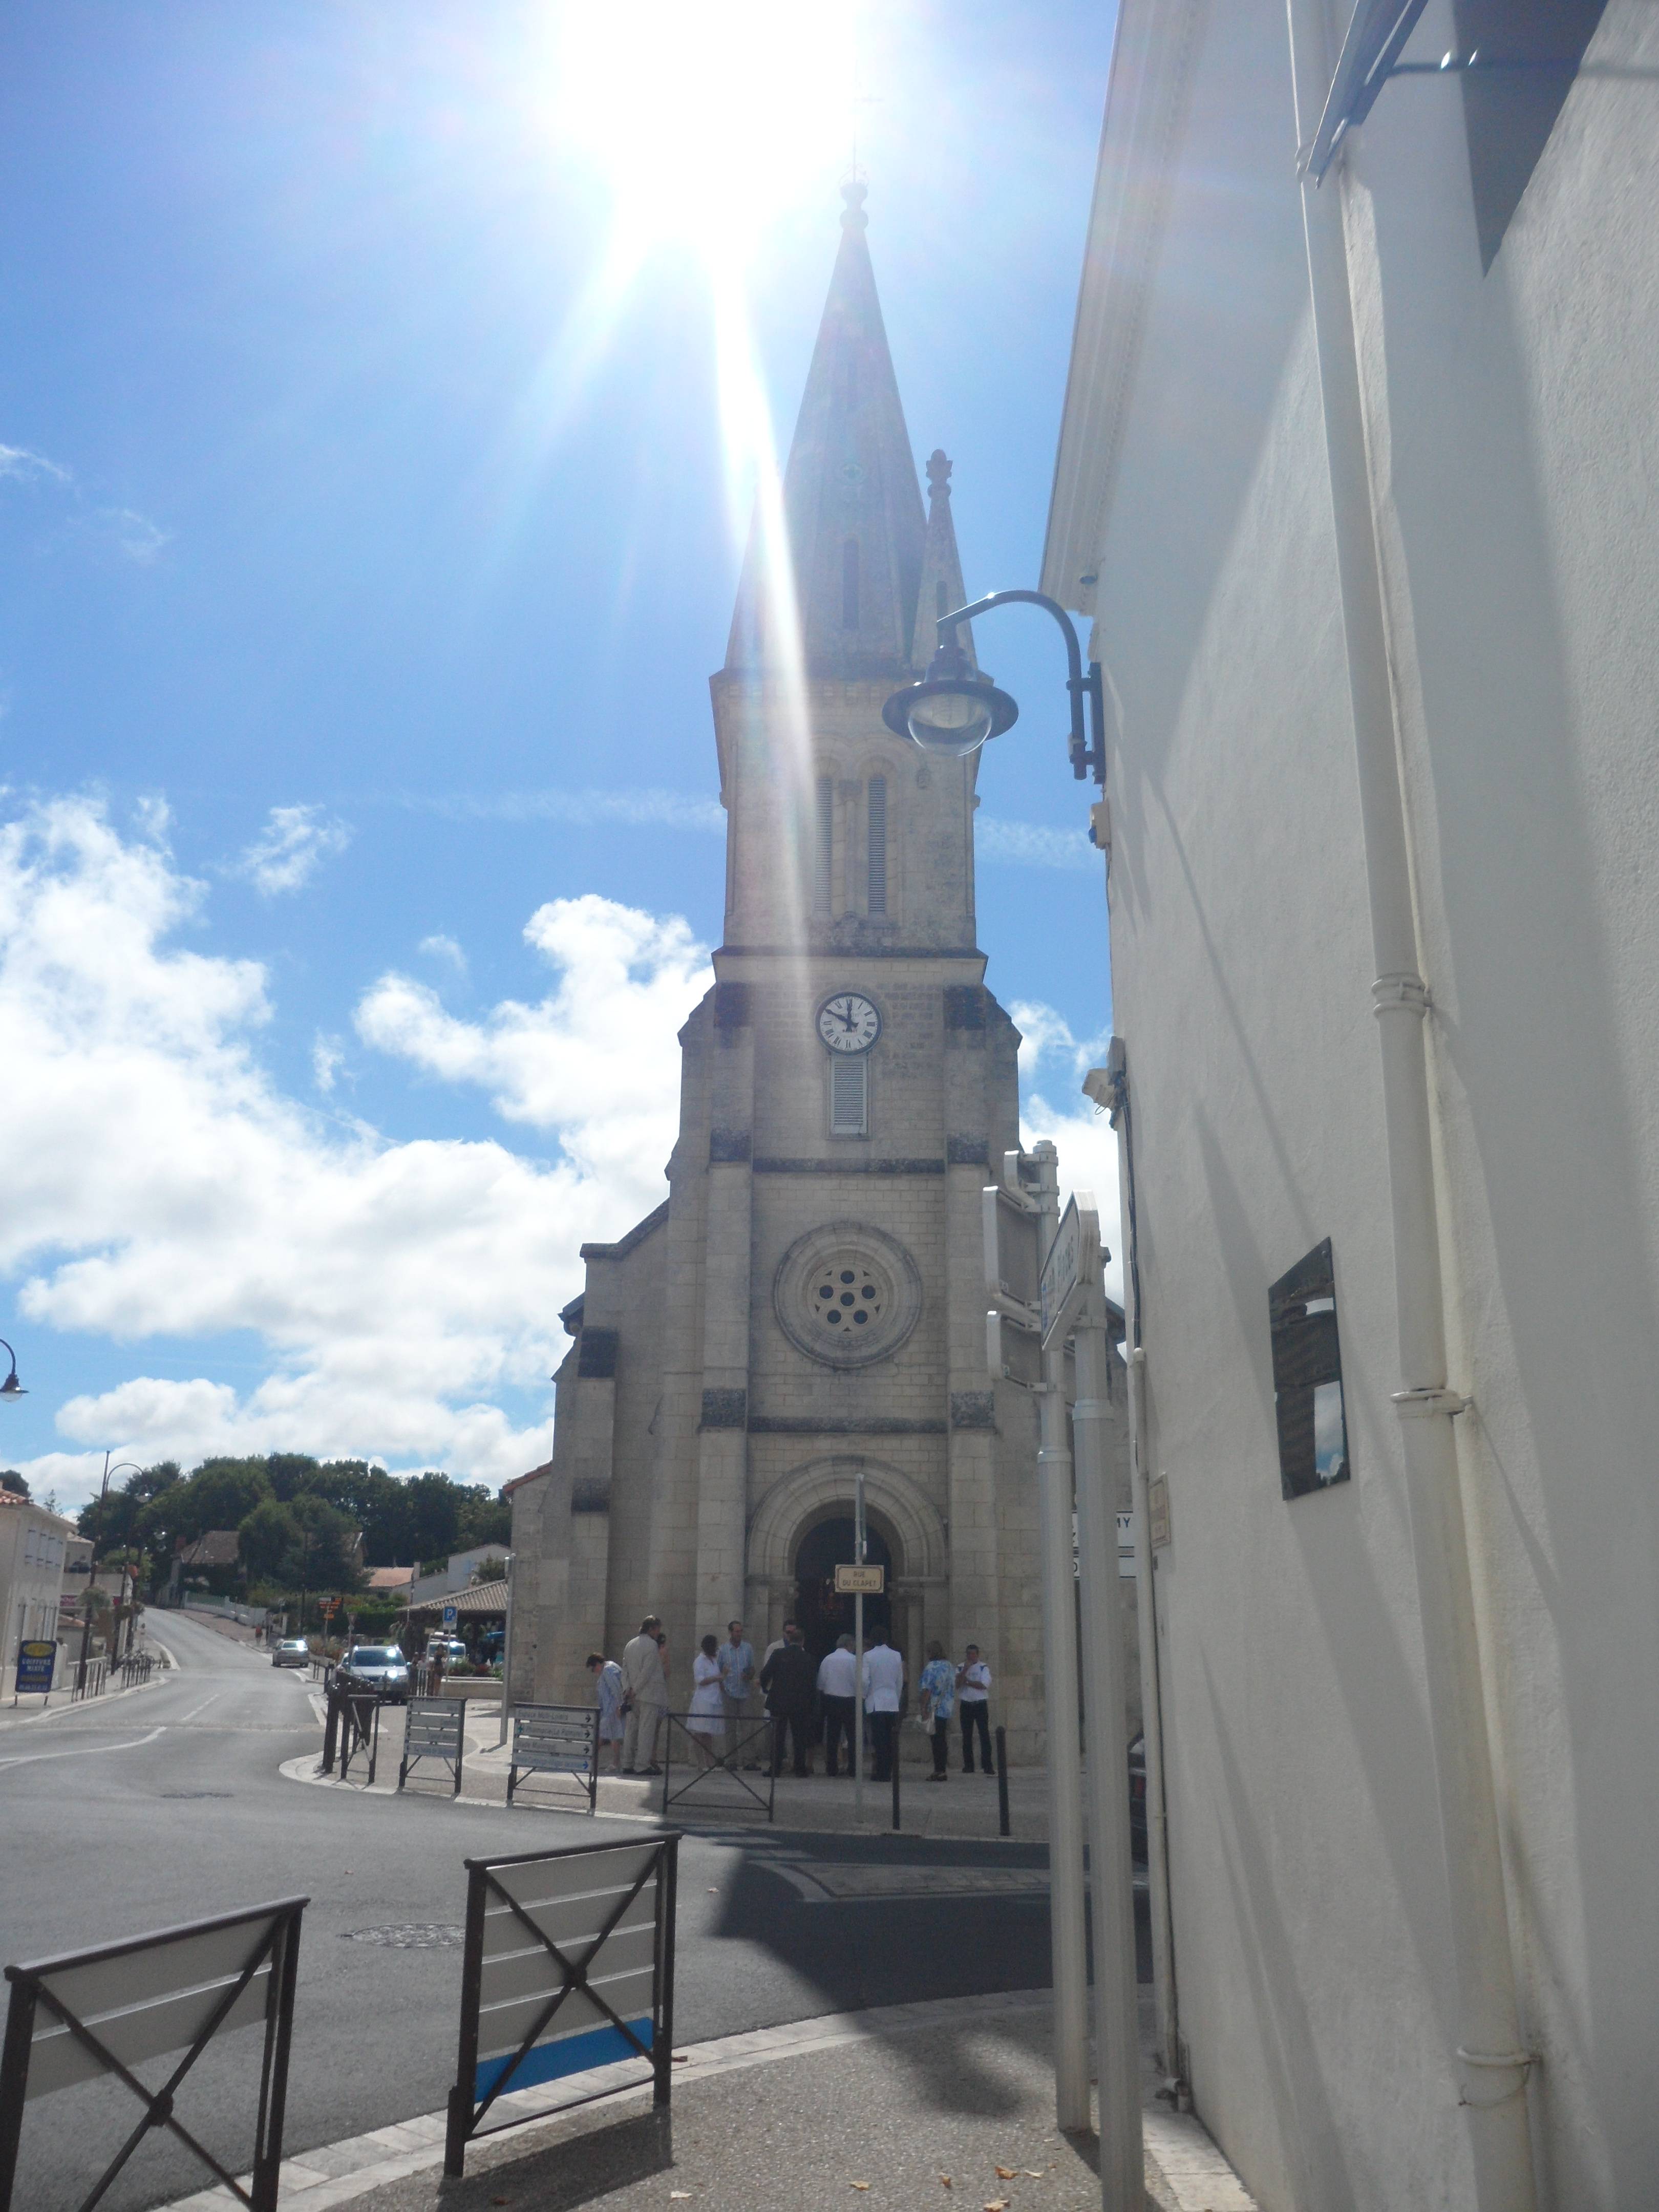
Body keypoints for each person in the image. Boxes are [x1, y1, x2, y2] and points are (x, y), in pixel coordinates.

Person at [759, 1622, 816, 1777]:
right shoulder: (808, 1658)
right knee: (799, 1737)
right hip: (800, 1702)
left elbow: (765, 1674)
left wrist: (766, 1689)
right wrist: (811, 1703)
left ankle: (776, 1769)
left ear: (790, 1640)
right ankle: (800, 1769)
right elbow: (812, 1683)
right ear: (803, 1641)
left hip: (779, 1701)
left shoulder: (778, 1654)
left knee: (778, 1736)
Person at [621, 1613, 668, 1774]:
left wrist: (628, 1689)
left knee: (631, 1730)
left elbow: (625, 1670)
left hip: (632, 1695)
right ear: (652, 1629)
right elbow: (647, 1671)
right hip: (647, 1694)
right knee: (646, 1731)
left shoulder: (630, 1644)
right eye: (657, 1630)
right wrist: (635, 1690)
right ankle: (642, 1765)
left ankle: (627, 1763)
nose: (658, 1633)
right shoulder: (652, 1646)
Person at [862, 1631, 905, 1782]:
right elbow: (899, 1681)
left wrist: (864, 1696)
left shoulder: (868, 1656)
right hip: (892, 1701)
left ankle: (882, 1772)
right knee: (890, 1739)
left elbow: (864, 1681)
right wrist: (897, 1698)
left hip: (876, 1701)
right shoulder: (896, 1656)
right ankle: (890, 1770)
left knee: (879, 1740)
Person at [717, 1619, 758, 1768]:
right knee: (730, 1729)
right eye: (736, 1631)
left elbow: (752, 1668)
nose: (739, 1634)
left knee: (748, 1728)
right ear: (731, 1632)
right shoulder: (723, 1650)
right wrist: (722, 1686)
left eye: (741, 1631)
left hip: (745, 1692)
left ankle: (749, 1761)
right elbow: (719, 1671)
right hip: (729, 1693)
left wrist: (749, 1675)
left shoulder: (748, 1648)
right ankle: (731, 1760)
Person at [817, 1633, 858, 1777]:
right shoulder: (854, 1660)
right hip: (850, 1701)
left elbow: (821, 1683)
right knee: (853, 1737)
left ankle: (832, 1768)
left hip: (832, 1700)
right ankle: (853, 1768)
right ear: (849, 1645)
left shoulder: (828, 1659)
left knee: (832, 1736)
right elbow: (858, 1682)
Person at [918, 1640, 956, 1781]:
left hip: (933, 1708)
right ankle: (942, 1769)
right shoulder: (949, 1666)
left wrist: (923, 1708)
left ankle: (939, 1770)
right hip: (946, 1708)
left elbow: (927, 1689)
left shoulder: (932, 1667)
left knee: (936, 1740)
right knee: (942, 1739)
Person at [688, 1633, 726, 1768]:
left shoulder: (714, 1660)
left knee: (709, 1734)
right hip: (703, 1701)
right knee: (699, 1733)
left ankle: (710, 1763)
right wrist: (718, 1678)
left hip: (714, 1700)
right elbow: (701, 1680)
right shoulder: (700, 1661)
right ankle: (700, 1762)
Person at [586, 1651, 626, 1773]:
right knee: (611, 1736)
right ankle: (613, 1762)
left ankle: (594, 1762)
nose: (595, 1672)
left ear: (598, 1664)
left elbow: (617, 1689)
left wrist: (620, 1706)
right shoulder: (611, 1667)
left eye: (593, 1669)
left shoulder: (608, 1671)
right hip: (609, 1709)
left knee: (604, 1735)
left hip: (611, 1709)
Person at [957, 1642, 993, 1774]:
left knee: (984, 1734)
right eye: (969, 1654)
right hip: (966, 1704)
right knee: (967, 1736)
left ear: (977, 1655)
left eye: (973, 1654)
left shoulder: (984, 1668)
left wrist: (968, 1682)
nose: (971, 1656)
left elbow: (983, 1685)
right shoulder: (961, 1667)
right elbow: (957, 1684)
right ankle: (969, 1765)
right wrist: (965, 1671)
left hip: (980, 1703)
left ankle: (987, 1765)